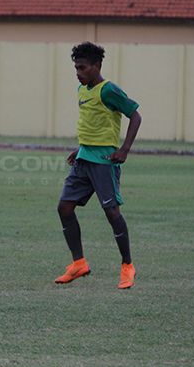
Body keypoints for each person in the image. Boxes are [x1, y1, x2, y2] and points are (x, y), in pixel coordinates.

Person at [55, 42, 142, 289]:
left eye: (82, 68)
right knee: (64, 208)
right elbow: (91, 124)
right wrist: (80, 149)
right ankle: (79, 263)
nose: (78, 72)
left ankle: (127, 266)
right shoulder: (82, 90)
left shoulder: (108, 90)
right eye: (75, 68)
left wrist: (124, 149)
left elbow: (135, 115)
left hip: (104, 161)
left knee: (112, 212)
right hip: (84, 158)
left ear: (97, 66)